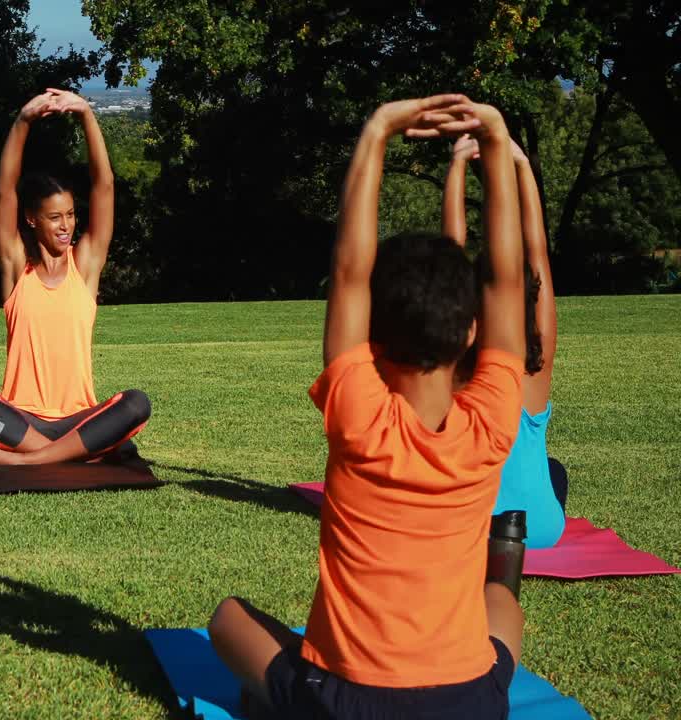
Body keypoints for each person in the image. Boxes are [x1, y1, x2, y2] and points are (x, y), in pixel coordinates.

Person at [208, 95, 528, 718]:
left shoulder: (359, 416)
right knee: (503, 602)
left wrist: (378, 129)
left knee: (227, 619)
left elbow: (350, 270)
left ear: (373, 334)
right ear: (470, 334)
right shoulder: (491, 421)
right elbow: (506, 282)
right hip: (467, 704)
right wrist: (494, 137)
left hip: (345, 702)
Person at [0, 89, 151, 466]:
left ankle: (32, 459)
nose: (67, 226)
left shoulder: (86, 267)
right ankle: (74, 454)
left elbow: (105, 187)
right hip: (22, 421)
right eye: (55, 217)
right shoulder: (18, 270)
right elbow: (3, 194)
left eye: (71, 215)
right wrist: (23, 121)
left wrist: (86, 115)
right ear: (32, 219)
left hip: (79, 421)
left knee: (136, 403)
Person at [444, 134, 566, 548]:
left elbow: (449, 253)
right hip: (542, 530)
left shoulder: (458, 362)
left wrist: (458, 165)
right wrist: (522, 167)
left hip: (472, 528)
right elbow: (538, 255)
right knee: (554, 469)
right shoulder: (536, 363)